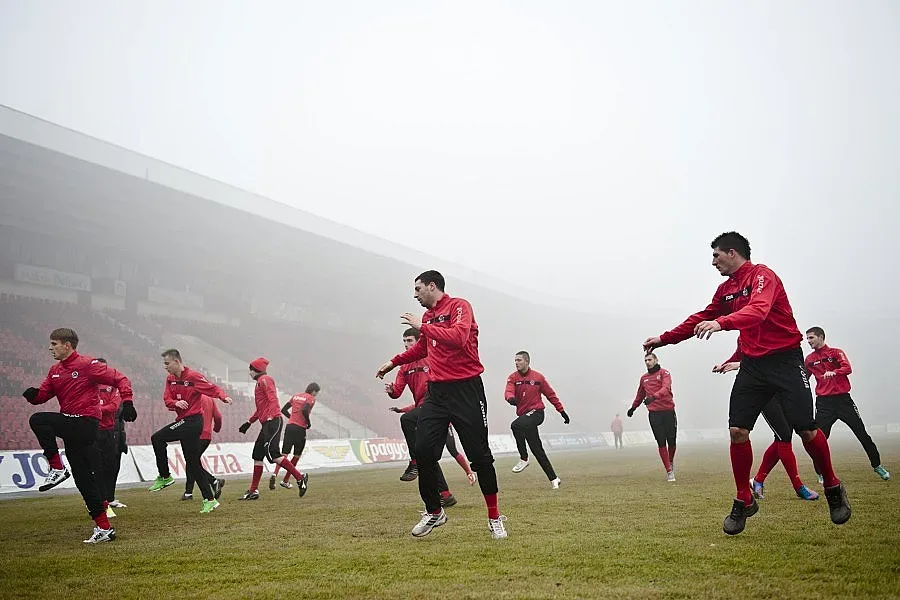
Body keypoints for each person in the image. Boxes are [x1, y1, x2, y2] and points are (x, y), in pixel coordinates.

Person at [642, 231, 850, 535]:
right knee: (737, 431)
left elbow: (758, 310)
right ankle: (744, 498)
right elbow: (701, 317)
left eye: (716, 255)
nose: (713, 262)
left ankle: (832, 486)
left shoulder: (763, 276)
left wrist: (722, 323)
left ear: (732, 252)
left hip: (786, 361)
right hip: (753, 366)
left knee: (806, 430)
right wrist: (664, 339)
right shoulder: (725, 290)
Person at [377, 270, 506, 539]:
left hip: (467, 390)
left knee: (480, 457)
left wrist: (422, 326)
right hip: (437, 393)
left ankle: (494, 517)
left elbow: (458, 337)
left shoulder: (460, 306)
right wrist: (394, 362)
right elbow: (423, 348)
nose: (415, 295)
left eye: (418, 289)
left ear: (432, 286)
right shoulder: (427, 318)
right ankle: (435, 511)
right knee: (422, 452)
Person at [22, 328, 137, 544]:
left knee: (38, 420)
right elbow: (43, 396)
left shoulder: (87, 365)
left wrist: (128, 402)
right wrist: (33, 395)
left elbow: (121, 379)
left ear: (68, 345)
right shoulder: (54, 371)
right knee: (84, 480)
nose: (50, 348)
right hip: (72, 426)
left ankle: (56, 468)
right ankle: (104, 528)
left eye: (54, 344)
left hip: (85, 423)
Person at [713, 352, 819, 501]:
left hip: (782, 387)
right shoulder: (746, 334)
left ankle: (758, 480)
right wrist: (727, 364)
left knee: (782, 436)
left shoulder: (777, 333)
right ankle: (798, 486)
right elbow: (741, 355)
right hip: (763, 392)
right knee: (784, 435)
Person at [387, 327, 475, 491]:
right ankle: (445, 494)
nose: (406, 344)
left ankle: (416, 463)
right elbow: (398, 392)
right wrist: (392, 391)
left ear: (419, 341)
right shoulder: (404, 367)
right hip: (424, 412)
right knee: (427, 456)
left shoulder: (431, 358)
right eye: (404, 341)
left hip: (439, 410)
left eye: (409, 341)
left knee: (449, 449)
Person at [149, 349, 232, 515]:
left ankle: (165, 476)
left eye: (167, 363)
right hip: (184, 421)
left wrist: (223, 397)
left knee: (157, 438)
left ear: (177, 361)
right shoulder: (170, 379)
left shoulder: (193, 377)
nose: (165, 367)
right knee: (193, 464)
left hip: (193, 422)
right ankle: (210, 500)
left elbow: (212, 388)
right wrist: (175, 403)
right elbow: (167, 400)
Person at [804, 327, 890, 481]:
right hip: (824, 405)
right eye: (807, 338)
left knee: (862, 434)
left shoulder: (836, 353)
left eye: (811, 338)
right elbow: (803, 379)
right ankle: (820, 472)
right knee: (818, 440)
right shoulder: (809, 359)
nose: (808, 341)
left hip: (844, 401)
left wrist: (834, 372)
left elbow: (847, 368)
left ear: (821, 337)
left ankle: (878, 466)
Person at [237, 357, 308, 500]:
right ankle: (253, 491)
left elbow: (272, 400)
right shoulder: (259, 383)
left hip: (273, 421)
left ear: (256, 370)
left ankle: (300, 478)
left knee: (273, 454)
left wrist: (270, 417)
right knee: (257, 455)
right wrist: (249, 422)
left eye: (250, 370)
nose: (249, 373)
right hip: (267, 422)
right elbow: (261, 408)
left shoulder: (265, 380)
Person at [505, 351, 569, 489]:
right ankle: (554, 479)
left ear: (527, 361)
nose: (516, 363)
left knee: (515, 425)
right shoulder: (512, 378)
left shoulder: (538, 377)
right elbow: (508, 390)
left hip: (537, 413)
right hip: (525, 417)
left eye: (519, 360)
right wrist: (510, 398)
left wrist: (562, 411)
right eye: (515, 360)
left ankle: (524, 458)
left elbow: (551, 395)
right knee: (537, 450)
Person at [627, 353, 677, 481]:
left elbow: (666, 388)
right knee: (661, 442)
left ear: (656, 360)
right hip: (654, 414)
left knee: (671, 441)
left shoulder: (665, 373)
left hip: (668, 411)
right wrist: (633, 408)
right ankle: (669, 471)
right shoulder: (644, 378)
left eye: (650, 359)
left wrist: (653, 397)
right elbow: (640, 394)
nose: (647, 362)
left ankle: (670, 461)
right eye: (645, 360)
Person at [270, 382, 320, 490]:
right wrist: (308, 423)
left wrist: (291, 418)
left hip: (289, 427)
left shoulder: (296, 396)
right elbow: (305, 410)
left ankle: (274, 474)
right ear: (314, 391)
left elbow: (283, 410)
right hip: (300, 429)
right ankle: (285, 480)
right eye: (316, 393)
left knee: (283, 454)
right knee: (296, 455)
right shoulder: (310, 398)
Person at [93, 357, 127, 512]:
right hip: (98, 431)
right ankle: (101, 501)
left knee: (114, 467)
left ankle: (110, 498)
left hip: (117, 434)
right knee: (99, 467)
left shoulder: (113, 386)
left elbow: (116, 408)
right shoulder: (90, 385)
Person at [183, 394, 225, 501]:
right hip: (207, 436)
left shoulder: (191, 396)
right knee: (192, 462)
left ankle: (213, 481)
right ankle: (188, 492)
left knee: (192, 462)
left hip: (195, 434)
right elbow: (218, 416)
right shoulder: (210, 398)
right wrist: (216, 428)